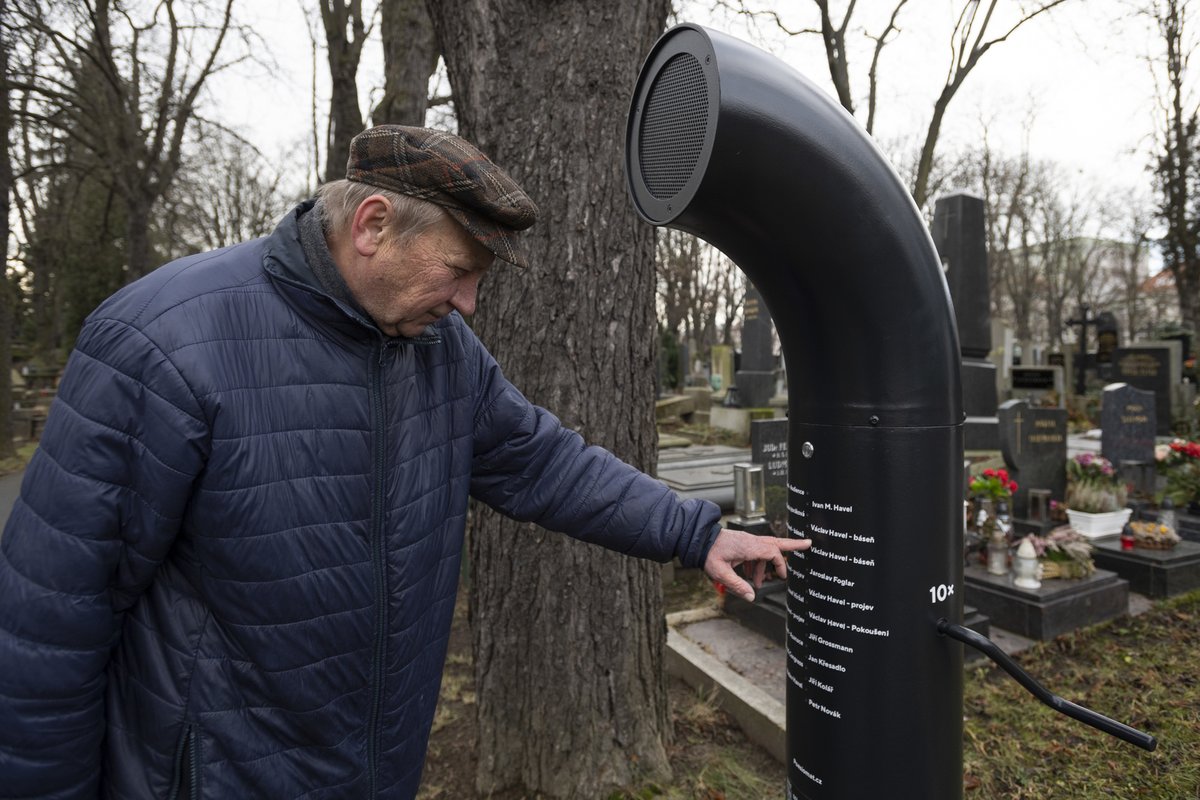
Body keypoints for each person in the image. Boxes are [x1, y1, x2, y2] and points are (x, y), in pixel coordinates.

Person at [0, 125, 808, 799]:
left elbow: (538, 461)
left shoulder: (438, 350)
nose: (467, 305)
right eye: (458, 272)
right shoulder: (162, 343)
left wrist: (695, 533)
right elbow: (50, 622)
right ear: (373, 225)